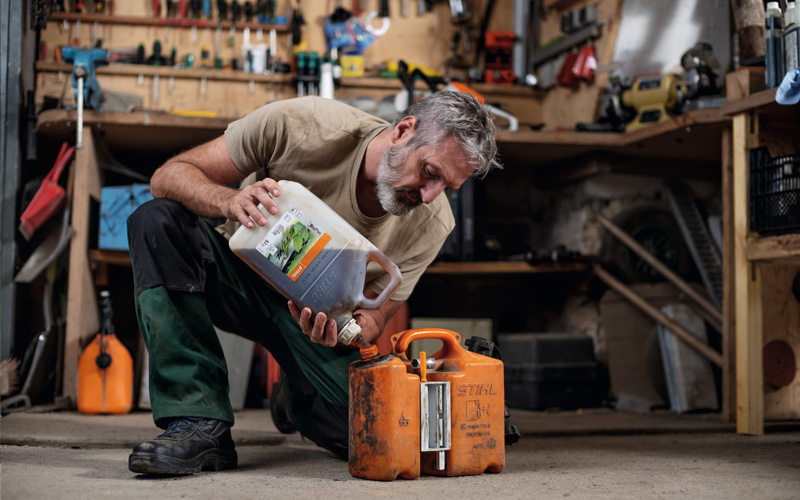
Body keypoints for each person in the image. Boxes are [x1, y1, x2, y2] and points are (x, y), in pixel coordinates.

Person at [126, 90, 500, 475]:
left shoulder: (433, 223)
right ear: (404, 130)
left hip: (312, 319)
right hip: (234, 273)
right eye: (430, 172)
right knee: (157, 222)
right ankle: (197, 421)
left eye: (446, 187)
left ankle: (294, 400)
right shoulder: (305, 125)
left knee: (374, 436)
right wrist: (229, 199)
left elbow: (375, 318)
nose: (430, 195)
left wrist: (342, 331)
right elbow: (167, 176)